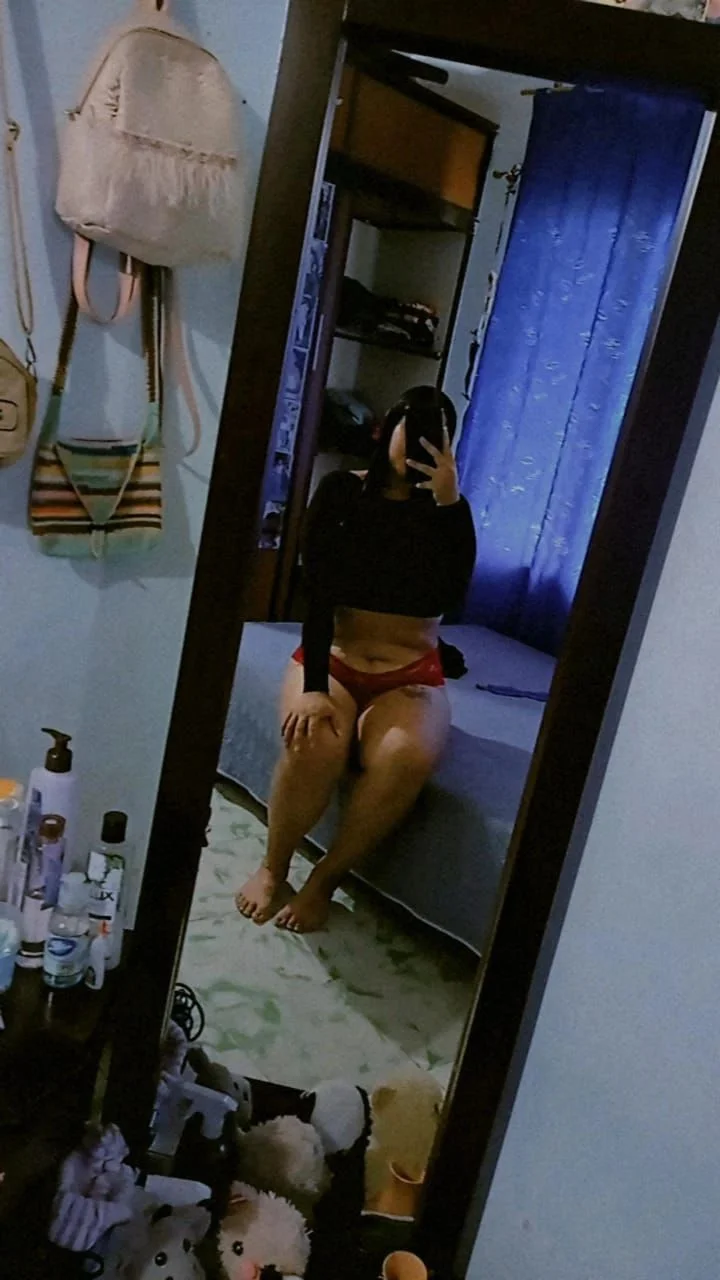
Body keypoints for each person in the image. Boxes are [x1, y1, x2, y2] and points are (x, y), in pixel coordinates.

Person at [236, 385, 477, 933]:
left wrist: (451, 508)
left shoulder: (448, 513)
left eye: (433, 434)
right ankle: (273, 868)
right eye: (409, 429)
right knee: (313, 738)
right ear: (387, 427)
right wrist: (315, 686)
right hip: (335, 656)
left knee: (407, 756)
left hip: (410, 672)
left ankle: (325, 880)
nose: (416, 444)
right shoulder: (342, 491)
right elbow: (318, 593)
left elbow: (453, 594)